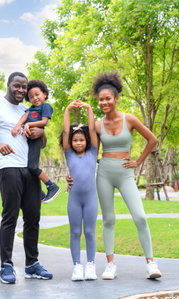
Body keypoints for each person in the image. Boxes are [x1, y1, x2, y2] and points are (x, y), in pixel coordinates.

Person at [0, 72, 53, 284]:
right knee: (10, 217)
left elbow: (41, 141)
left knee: (33, 217)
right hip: (8, 168)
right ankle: (6, 266)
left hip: (29, 169)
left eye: (24, 87)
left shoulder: (30, 110)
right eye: (17, 86)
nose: (21, 90)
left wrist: (40, 134)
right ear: (8, 85)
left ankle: (32, 264)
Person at [93, 71, 162, 279]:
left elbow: (152, 139)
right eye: (100, 100)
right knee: (108, 219)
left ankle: (151, 263)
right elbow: (90, 152)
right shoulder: (97, 124)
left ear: (116, 99)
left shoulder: (129, 119)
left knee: (140, 216)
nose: (104, 102)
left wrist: (138, 162)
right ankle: (110, 264)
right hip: (104, 171)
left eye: (107, 99)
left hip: (125, 173)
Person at [60, 99, 99, 281]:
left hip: (91, 198)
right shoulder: (69, 153)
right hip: (74, 199)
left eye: (81, 140)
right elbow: (67, 130)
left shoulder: (92, 152)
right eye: (75, 140)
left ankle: (90, 265)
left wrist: (89, 108)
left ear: (87, 141)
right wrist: (68, 109)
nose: (78, 143)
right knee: (75, 232)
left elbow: (92, 129)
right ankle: (77, 266)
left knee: (90, 232)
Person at [11, 79, 61, 203]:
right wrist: (18, 126)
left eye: (37, 95)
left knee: (32, 166)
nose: (35, 98)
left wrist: (29, 124)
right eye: (31, 97)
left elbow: (44, 122)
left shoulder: (46, 106)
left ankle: (51, 186)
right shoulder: (31, 109)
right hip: (28, 140)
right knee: (28, 168)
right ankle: (40, 194)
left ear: (44, 94)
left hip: (36, 140)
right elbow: (24, 116)